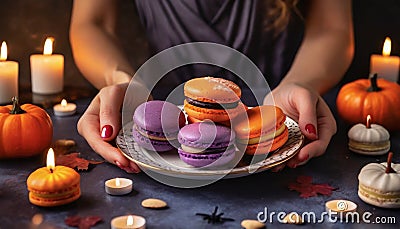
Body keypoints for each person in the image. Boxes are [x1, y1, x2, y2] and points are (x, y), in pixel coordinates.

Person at [70, 0, 354, 173]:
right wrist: (121, 81)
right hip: (165, 112)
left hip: (277, 107)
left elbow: (332, 27)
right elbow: (92, 23)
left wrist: (301, 82)